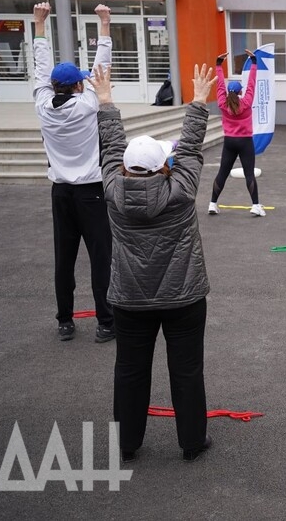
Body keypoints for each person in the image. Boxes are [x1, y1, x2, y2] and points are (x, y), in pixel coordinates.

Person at [92, 61, 216, 463]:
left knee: (130, 370)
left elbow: (111, 147)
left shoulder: (113, 189)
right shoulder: (181, 189)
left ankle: (127, 443)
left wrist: (105, 101)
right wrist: (199, 100)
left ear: (125, 168)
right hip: (184, 297)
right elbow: (191, 147)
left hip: (129, 298)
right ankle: (192, 442)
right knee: (186, 370)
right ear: (164, 165)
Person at [32, 1, 115, 343]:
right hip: (91, 192)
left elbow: (40, 69)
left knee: (64, 260)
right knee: (101, 259)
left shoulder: (42, 104)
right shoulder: (88, 104)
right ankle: (106, 323)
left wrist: (39, 25)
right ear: (79, 86)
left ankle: (65, 321)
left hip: (61, 194)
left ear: (53, 87)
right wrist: (104, 24)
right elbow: (101, 67)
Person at [207, 50, 266, 217]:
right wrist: (254, 62)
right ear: (240, 92)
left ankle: (212, 204)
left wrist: (218, 65)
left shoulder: (222, 103)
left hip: (229, 142)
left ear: (228, 92)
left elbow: (219, 85)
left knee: (222, 173)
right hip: (245, 142)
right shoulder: (246, 102)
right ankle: (255, 206)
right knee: (249, 174)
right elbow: (252, 83)